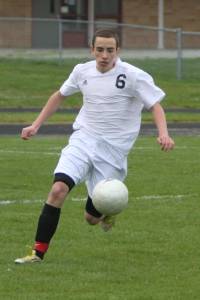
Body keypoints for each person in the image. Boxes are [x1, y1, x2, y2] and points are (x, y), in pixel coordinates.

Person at [15, 28, 174, 264]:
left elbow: (155, 105)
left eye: (110, 50)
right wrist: (35, 125)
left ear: (117, 51)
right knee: (58, 189)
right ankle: (37, 253)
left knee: (91, 218)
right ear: (92, 50)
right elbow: (59, 95)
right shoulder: (82, 71)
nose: (104, 55)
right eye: (99, 50)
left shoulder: (133, 75)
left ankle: (107, 214)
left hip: (112, 152)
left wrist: (164, 134)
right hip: (83, 140)